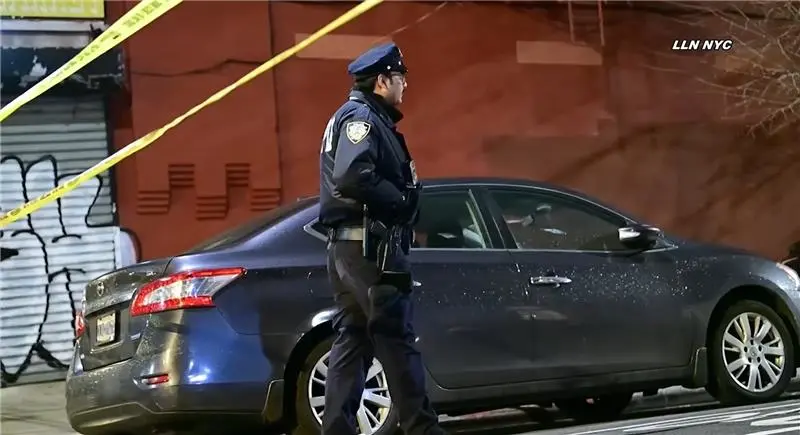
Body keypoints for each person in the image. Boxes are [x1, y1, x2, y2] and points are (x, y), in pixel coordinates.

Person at [318, 42, 444, 435]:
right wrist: (400, 200)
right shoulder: (362, 118)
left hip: (350, 247)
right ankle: (422, 429)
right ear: (383, 81)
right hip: (370, 248)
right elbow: (352, 175)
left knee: (354, 340)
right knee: (395, 337)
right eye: (401, 77)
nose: (405, 85)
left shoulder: (355, 116)